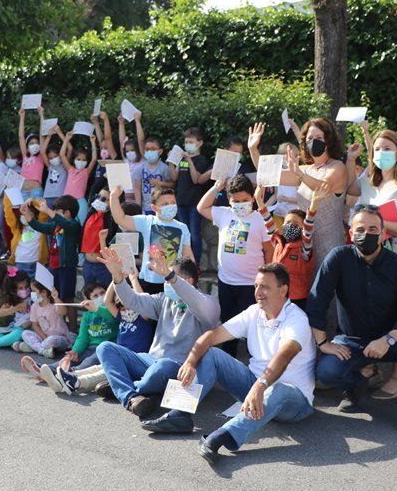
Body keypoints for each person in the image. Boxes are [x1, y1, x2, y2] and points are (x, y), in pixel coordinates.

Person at [140, 264, 316, 466]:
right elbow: (213, 335)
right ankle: (179, 415)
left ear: (283, 290)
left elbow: (284, 356)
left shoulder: (297, 320)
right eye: (256, 286)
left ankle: (219, 437)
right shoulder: (254, 312)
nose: (258, 292)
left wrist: (261, 386)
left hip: (294, 400)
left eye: (265, 287)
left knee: (278, 390)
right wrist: (190, 361)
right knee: (212, 354)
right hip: (255, 388)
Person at [306, 206, 397, 437]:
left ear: (383, 232)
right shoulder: (338, 258)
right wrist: (323, 343)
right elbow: (317, 301)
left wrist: (388, 339)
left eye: (373, 229)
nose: (366, 234)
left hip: (391, 341)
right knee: (326, 371)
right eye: (360, 229)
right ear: (351, 232)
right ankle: (356, 384)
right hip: (351, 341)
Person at [95, 248, 220, 418]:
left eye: (170, 277)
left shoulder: (209, 303)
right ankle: (131, 396)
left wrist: (171, 277)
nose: (166, 283)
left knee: (162, 367)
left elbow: (196, 301)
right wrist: (117, 276)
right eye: (165, 278)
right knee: (105, 348)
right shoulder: (165, 299)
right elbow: (133, 300)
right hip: (150, 360)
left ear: (189, 281)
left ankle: (125, 387)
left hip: (177, 367)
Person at [250, 118, 347, 333]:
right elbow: (267, 174)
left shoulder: (337, 166)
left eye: (319, 138)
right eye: (310, 138)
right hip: (305, 243)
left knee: (329, 296)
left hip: (330, 242)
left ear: (329, 141)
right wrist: (253, 149)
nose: (314, 142)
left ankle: (332, 345)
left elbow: (322, 187)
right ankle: (308, 343)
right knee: (307, 295)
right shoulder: (303, 169)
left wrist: (300, 173)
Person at [346, 125, 397, 400]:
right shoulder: (367, 181)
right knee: (365, 306)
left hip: (393, 252)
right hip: (364, 252)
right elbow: (348, 189)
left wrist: (376, 223)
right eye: (377, 149)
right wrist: (352, 160)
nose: (381, 153)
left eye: (387, 148)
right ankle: (367, 366)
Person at [197, 175, 272, 356]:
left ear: (252, 198)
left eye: (245, 200)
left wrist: (267, 277)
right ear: (229, 200)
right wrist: (217, 187)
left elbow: (269, 250)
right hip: (227, 282)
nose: (240, 204)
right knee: (229, 322)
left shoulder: (260, 218)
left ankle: (253, 358)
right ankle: (228, 357)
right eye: (236, 201)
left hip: (251, 284)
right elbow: (201, 207)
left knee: (252, 324)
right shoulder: (224, 214)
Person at [51, 275, 154, 396]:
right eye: (121, 306)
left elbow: (142, 301)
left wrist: (133, 278)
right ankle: (67, 376)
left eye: (128, 303)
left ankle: (73, 379)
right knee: (96, 368)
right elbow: (107, 301)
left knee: (102, 369)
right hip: (117, 356)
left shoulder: (143, 317)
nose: (125, 309)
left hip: (133, 359)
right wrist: (116, 277)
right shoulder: (122, 317)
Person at [110, 184, 193, 294]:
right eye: (165, 204)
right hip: (149, 281)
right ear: (154, 207)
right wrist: (114, 197)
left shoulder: (183, 227)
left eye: (173, 203)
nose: (171, 206)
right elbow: (120, 219)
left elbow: (188, 256)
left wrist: (193, 278)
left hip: (173, 281)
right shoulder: (147, 221)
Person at [35, 281, 118, 391]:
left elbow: (113, 318)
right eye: (95, 296)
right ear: (89, 300)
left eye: (102, 293)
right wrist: (75, 351)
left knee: (89, 362)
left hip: (105, 349)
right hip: (90, 348)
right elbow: (82, 338)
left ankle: (68, 375)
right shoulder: (87, 316)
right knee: (70, 358)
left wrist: (97, 308)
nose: (100, 297)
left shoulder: (112, 310)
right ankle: (46, 370)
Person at [21, 196, 81, 319]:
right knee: (54, 296)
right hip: (53, 267)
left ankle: (73, 329)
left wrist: (47, 210)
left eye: (57, 211)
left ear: (67, 212)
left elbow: (66, 223)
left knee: (67, 298)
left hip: (66, 268)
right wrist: (27, 214)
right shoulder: (55, 226)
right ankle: (59, 324)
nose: (54, 214)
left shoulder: (74, 225)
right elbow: (40, 226)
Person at [170, 126, 211, 266]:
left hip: (194, 202)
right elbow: (174, 177)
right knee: (182, 234)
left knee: (194, 234)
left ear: (200, 143)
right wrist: (171, 161)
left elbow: (196, 179)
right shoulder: (182, 158)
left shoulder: (201, 159)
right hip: (180, 201)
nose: (187, 145)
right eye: (186, 142)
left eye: (191, 142)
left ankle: (196, 264)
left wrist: (190, 162)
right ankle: (183, 263)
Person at [15, 280, 73, 358]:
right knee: (25, 333)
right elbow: (35, 325)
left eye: (34, 291)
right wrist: (44, 338)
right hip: (44, 338)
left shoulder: (54, 305)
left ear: (44, 293)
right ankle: (43, 351)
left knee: (52, 339)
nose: (32, 293)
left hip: (60, 339)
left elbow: (63, 312)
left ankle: (32, 347)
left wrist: (56, 298)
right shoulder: (34, 306)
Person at [59, 127, 97, 224]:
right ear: (74, 159)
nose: (81, 162)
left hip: (80, 201)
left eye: (84, 160)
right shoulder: (70, 169)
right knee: (64, 224)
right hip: (66, 201)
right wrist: (67, 139)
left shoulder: (86, 171)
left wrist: (93, 142)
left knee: (83, 223)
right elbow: (62, 155)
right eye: (79, 159)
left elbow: (94, 159)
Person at [133, 129, 173, 213]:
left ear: (160, 151)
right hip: (146, 208)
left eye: (153, 149)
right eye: (147, 149)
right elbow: (137, 188)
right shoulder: (139, 169)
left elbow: (172, 184)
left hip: (162, 207)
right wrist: (138, 206)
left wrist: (161, 183)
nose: (149, 151)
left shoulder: (164, 168)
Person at [18, 106, 46, 200]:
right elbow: (21, 136)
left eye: (36, 143)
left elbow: (42, 135)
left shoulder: (41, 155)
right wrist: (22, 117)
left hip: (36, 191)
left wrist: (41, 115)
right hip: (23, 191)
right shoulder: (25, 155)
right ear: (27, 146)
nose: (35, 145)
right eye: (31, 143)